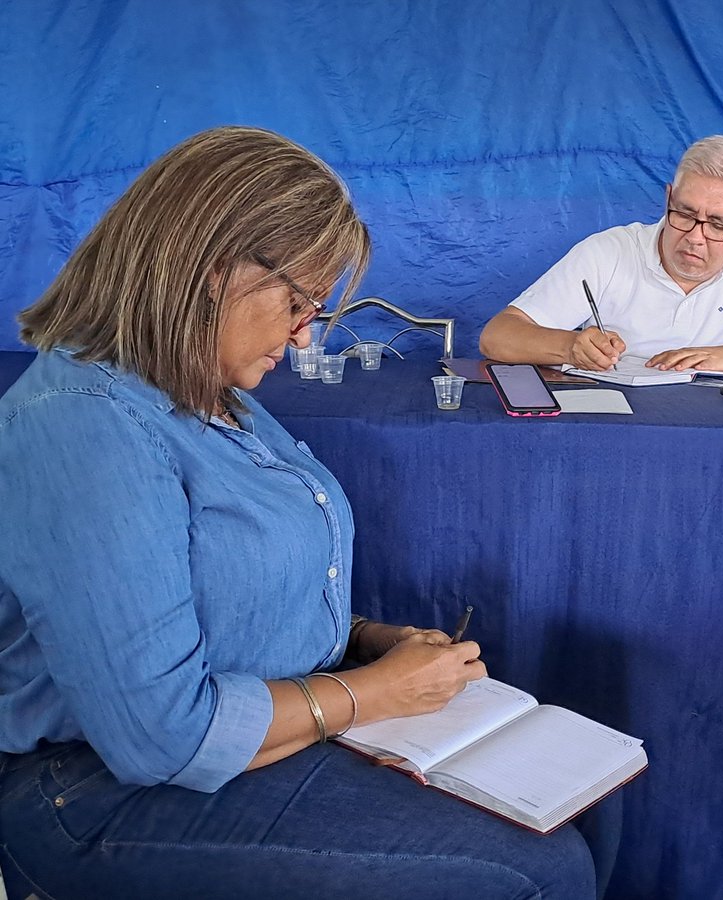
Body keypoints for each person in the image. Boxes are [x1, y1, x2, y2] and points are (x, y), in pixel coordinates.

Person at [0, 127, 608, 899]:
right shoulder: (86, 425)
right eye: (297, 303)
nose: (304, 335)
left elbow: (224, 594)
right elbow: (160, 736)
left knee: (581, 813)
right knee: (537, 872)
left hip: (252, 735)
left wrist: (366, 641)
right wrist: (375, 692)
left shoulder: (214, 396)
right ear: (214, 271)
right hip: (94, 792)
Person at [478, 135, 723, 375]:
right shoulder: (609, 251)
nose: (695, 237)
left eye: (718, 224)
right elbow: (497, 337)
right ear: (667, 198)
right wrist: (570, 346)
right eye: (684, 214)